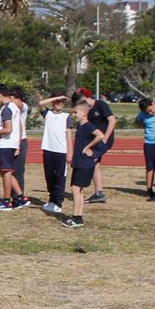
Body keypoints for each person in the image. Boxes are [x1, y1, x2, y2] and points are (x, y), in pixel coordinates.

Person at [61, 96, 107, 228]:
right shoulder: (81, 127)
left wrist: (88, 147)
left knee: (76, 189)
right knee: (78, 190)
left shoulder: (87, 126)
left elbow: (100, 135)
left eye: (75, 112)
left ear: (84, 114)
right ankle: (78, 216)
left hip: (84, 163)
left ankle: (76, 218)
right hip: (80, 163)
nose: (73, 115)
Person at [72, 88, 118, 203]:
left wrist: (105, 139)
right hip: (94, 140)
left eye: (81, 102)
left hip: (102, 140)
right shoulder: (84, 110)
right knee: (95, 163)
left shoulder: (100, 105)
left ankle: (95, 191)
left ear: (86, 98)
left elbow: (112, 120)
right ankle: (98, 192)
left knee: (93, 162)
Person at [37, 94, 70, 214]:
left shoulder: (66, 116)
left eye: (62, 102)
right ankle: (51, 199)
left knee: (60, 177)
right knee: (49, 176)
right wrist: (56, 98)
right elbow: (40, 104)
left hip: (61, 151)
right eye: (57, 102)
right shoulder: (48, 114)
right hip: (48, 149)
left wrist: (69, 151)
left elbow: (68, 135)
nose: (59, 104)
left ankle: (58, 202)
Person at [137, 97, 155, 199]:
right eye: (147, 112)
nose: (149, 113)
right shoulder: (143, 114)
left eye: (150, 110)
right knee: (150, 167)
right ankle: (149, 189)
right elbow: (138, 121)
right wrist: (143, 126)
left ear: (153, 104)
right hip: (149, 143)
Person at [8, 86, 31, 208]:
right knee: (9, 170)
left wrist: (13, 102)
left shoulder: (23, 107)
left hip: (20, 141)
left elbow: (20, 105)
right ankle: (12, 196)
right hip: (10, 141)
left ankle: (19, 197)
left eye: (12, 99)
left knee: (18, 171)